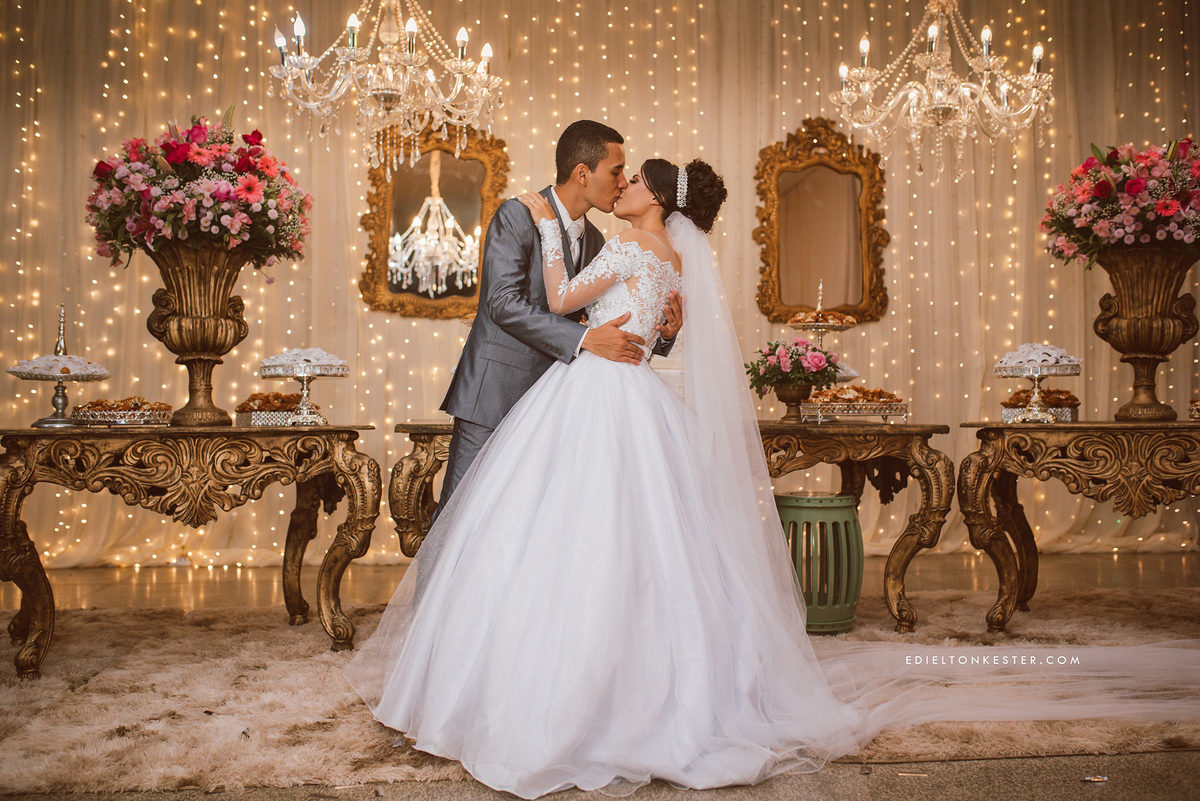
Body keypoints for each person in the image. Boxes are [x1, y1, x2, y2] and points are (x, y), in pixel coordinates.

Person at [347, 156, 1200, 799]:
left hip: (600, 395)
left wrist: (546, 235)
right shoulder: (670, 262)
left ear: (659, 199)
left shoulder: (621, 246)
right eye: (621, 170)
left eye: (636, 176)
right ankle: (647, 677)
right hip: (628, 395)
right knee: (639, 544)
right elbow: (646, 321)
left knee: (572, 534)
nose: (626, 179)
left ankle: (555, 686)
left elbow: (562, 298)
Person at [426, 121, 682, 592]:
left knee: (520, 533)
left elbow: (612, 316)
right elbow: (502, 304)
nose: (623, 182)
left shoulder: (600, 241)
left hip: (554, 407)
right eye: (617, 169)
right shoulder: (516, 215)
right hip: (495, 392)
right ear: (583, 173)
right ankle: (425, 641)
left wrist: (663, 333)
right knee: (459, 519)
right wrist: (583, 340)